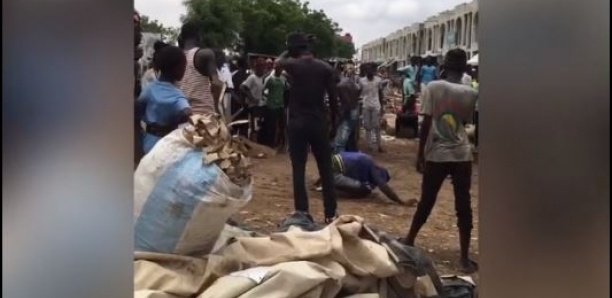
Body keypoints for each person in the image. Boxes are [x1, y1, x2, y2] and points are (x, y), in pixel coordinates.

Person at [404, 49, 479, 273]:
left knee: (427, 200)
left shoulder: (434, 87)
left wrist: (420, 155)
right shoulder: (470, 92)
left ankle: (409, 238)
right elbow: (464, 122)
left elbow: (426, 123)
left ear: (443, 67)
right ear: (465, 68)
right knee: (463, 205)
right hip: (461, 153)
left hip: (437, 152)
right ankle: (464, 257)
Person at [276, 32, 339, 224]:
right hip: (318, 122)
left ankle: (302, 212)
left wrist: (289, 48)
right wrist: (334, 123)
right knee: (326, 169)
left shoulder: (292, 65)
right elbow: (334, 99)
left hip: (297, 123)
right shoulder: (325, 68)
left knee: (299, 168)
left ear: (295, 49)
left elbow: (278, 62)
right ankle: (330, 213)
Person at [136, 45, 191, 155]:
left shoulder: (149, 89)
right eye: (184, 66)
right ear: (177, 68)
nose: (185, 70)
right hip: (169, 145)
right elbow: (187, 111)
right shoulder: (178, 95)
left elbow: (137, 110)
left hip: (148, 141)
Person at [314, 152, 418, 206]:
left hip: (327, 167)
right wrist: (400, 201)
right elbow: (384, 187)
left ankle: (328, 183)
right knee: (365, 189)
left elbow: (333, 164)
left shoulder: (366, 159)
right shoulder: (373, 168)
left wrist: (319, 181)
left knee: (360, 185)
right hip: (331, 173)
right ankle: (329, 186)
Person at [177, 22, 219, 115]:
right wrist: (216, 108)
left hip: (183, 115)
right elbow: (216, 84)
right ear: (199, 36)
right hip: (204, 116)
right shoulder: (204, 54)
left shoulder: (176, 57)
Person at [358, 63, 385, 153]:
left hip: (376, 105)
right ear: (366, 71)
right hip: (366, 105)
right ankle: (369, 145)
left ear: (374, 71)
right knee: (367, 126)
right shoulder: (361, 81)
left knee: (376, 126)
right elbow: (358, 92)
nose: (370, 71)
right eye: (368, 70)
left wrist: (382, 107)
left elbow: (380, 93)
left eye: (371, 70)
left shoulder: (378, 80)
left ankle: (379, 145)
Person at [333, 65, 360, 153]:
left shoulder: (341, 86)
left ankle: (341, 159)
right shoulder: (353, 83)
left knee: (340, 140)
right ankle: (352, 154)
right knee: (350, 136)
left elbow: (346, 103)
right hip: (355, 110)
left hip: (348, 111)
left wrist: (341, 116)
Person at [262, 62, 289, 148]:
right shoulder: (269, 79)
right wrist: (267, 98)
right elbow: (263, 90)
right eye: (277, 68)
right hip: (272, 105)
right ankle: (271, 144)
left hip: (281, 105)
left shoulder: (283, 79)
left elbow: (287, 88)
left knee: (282, 125)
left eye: (280, 68)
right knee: (272, 125)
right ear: (275, 69)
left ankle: (281, 143)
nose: (279, 70)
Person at [240, 58, 267, 142]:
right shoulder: (252, 77)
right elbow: (242, 87)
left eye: (263, 66)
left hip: (261, 105)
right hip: (254, 106)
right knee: (254, 127)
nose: (262, 68)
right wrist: (251, 98)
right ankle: (253, 145)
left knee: (259, 127)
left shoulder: (263, 78)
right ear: (256, 67)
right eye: (260, 66)